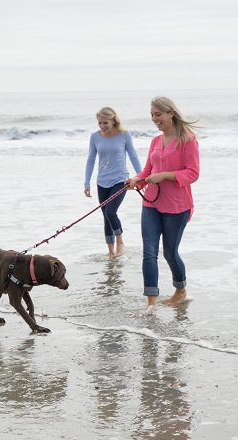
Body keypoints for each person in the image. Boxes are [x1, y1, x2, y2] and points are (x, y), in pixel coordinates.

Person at [126, 96, 200, 311]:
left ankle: (181, 289)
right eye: (152, 115)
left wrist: (166, 175)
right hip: (151, 203)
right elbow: (148, 171)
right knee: (149, 251)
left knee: (169, 253)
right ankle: (151, 302)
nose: (154, 119)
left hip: (177, 206)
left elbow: (193, 173)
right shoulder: (155, 141)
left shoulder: (188, 139)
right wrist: (136, 181)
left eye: (158, 114)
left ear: (171, 113)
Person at [84, 106, 142, 258]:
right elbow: (90, 159)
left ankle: (120, 241)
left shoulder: (124, 135)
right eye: (100, 123)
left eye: (105, 123)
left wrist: (142, 177)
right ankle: (111, 252)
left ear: (113, 120)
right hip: (102, 181)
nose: (102, 126)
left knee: (111, 211)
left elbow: (133, 156)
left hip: (120, 180)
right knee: (105, 216)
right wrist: (86, 182)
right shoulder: (95, 137)